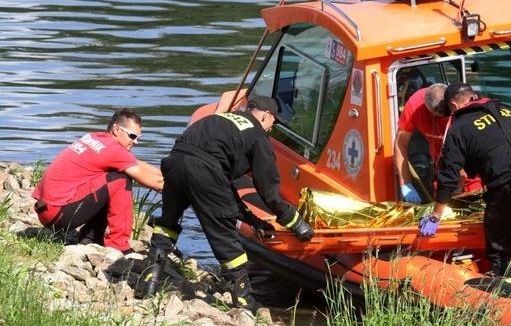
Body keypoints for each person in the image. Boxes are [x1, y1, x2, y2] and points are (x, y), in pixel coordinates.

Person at [134, 96, 314, 311]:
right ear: (266, 115)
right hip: (204, 171)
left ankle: (149, 282)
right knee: (224, 234)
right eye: (272, 124)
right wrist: (294, 222)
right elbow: (269, 190)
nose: (271, 130)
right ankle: (245, 300)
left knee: (168, 222)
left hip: (175, 163)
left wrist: (251, 218)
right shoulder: (257, 135)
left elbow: (223, 185)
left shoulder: (219, 119)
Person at [418, 83, 511, 279]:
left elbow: (448, 176)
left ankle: (505, 287)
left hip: (508, 186)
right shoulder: (508, 111)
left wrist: (435, 216)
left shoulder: (459, 128)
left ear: (453, 104)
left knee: (499, 248)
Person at [32, 108, 164, 254]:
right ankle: (119, 245)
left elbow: (136, 164)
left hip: (46, 210)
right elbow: (157, 183)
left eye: (138, 137)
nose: (136, 142)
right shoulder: (114, 150)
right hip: (59, 215)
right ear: (116, 129)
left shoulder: (95, 138)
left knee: (109, 178)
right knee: (120, 179)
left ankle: (90, 238)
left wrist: (167, 174)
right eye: (132, 136)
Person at [394, 83, 449, 203]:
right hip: (440, 162)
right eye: (438, 115)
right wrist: (405, 184)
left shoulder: (459, 102)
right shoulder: (415, 105)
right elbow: (400, 143)